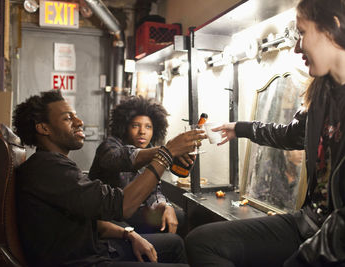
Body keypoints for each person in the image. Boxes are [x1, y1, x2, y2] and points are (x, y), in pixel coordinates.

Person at [185, 0, 345, 266]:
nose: (297, 47)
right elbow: (293, 135)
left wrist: (301, 260)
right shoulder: (325, 89)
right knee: (202, 242)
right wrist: (240, 129)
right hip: (311, 223)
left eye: (303, 33)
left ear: (333, 27)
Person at [13, 90, 205, 267]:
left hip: (94, 246)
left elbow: (86, 219)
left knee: (175, 243)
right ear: (44, 128)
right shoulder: (49, 169)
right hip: (83, 261)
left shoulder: (53, 164)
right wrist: (166, 153)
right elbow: (122, 205)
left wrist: (129, 234)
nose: (79, 121)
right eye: (67, 118)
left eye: (148, 127)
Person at [89, 96, 189, 235]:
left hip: (134, 212)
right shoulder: (110, 145)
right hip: (107, 215)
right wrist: (163, 152)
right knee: (172, 240)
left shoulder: (150, 149)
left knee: (179, 217)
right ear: (124, 127)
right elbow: (116, 158)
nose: (142, 131)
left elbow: (155, 190)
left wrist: (165, 206)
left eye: (148, 127)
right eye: (135, 125)